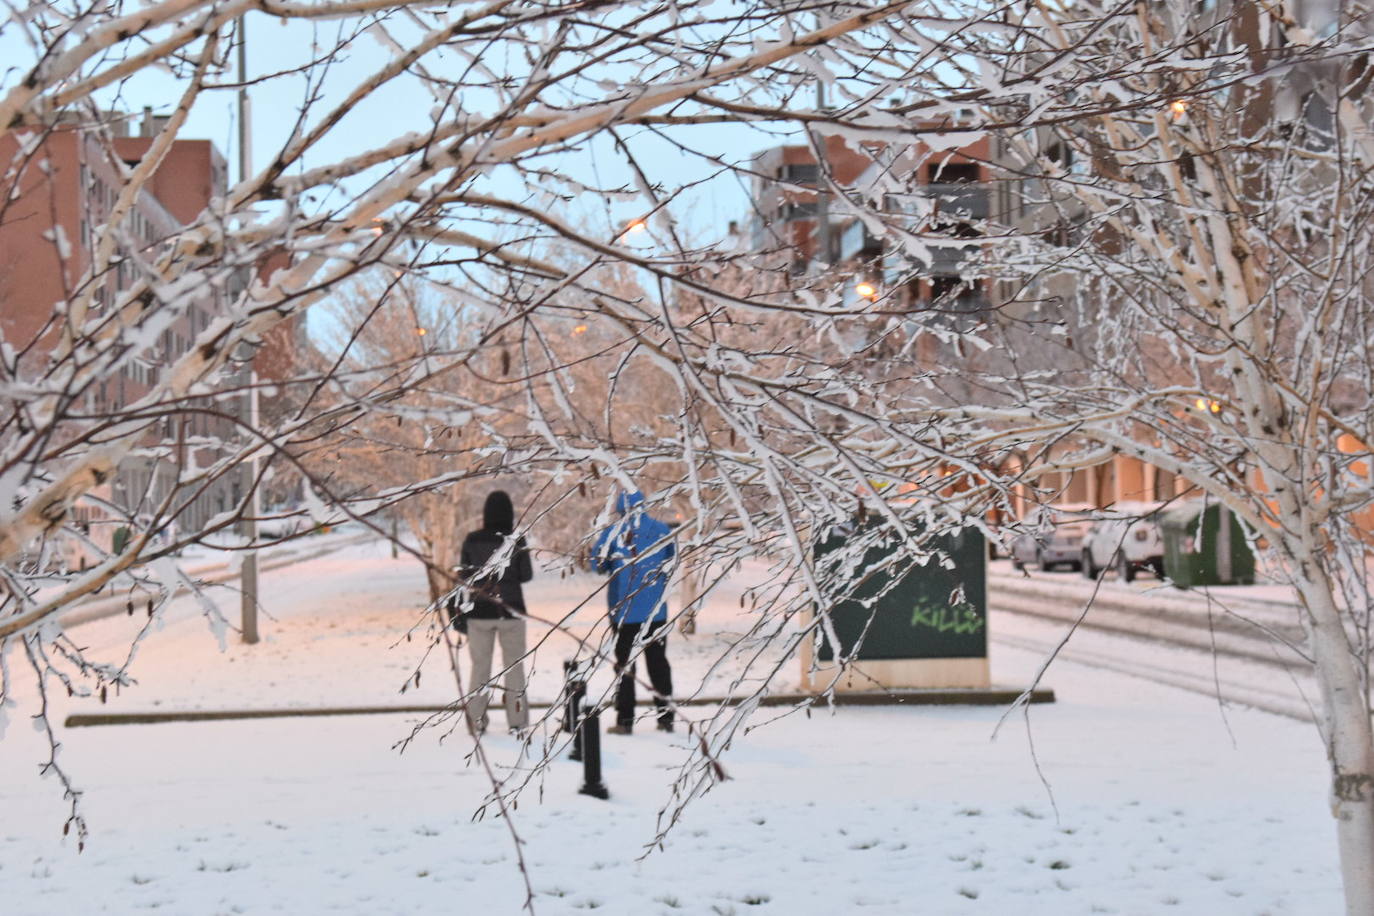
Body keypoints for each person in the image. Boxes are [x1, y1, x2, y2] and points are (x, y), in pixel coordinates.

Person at [591, 490, 676, 735]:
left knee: (625, 665)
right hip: (655, 611)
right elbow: (672, 561)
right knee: (658, 663)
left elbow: (597, 564)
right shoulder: (662, 530)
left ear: (620, 508)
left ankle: (625, 720)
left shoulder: (613, 533)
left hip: (624, 611)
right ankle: (666, 716)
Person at [455, 490, 532, 735]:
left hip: (479, 611)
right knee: (514, 668)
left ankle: (477, 722)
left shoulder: (472, 539)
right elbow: (526, 575)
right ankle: (517, 722)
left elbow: (465, 575)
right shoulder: (516, 540)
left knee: (480, 668)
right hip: (511, 611)